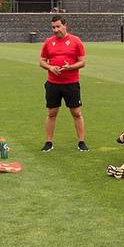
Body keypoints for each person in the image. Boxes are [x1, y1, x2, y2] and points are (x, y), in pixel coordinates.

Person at [38, 15, 88, 152]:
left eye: (58, 26)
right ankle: (48, 142)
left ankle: (81, 142)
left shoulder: (76, 41)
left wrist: (70, 67)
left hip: (71, 83)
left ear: (65, 26)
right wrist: (50, 67)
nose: (55, 30)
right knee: (52, 113)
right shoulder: (48, 42)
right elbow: (42, 61)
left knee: (76, 113)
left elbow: (82, 62)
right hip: (53, 83)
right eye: (53, 27)